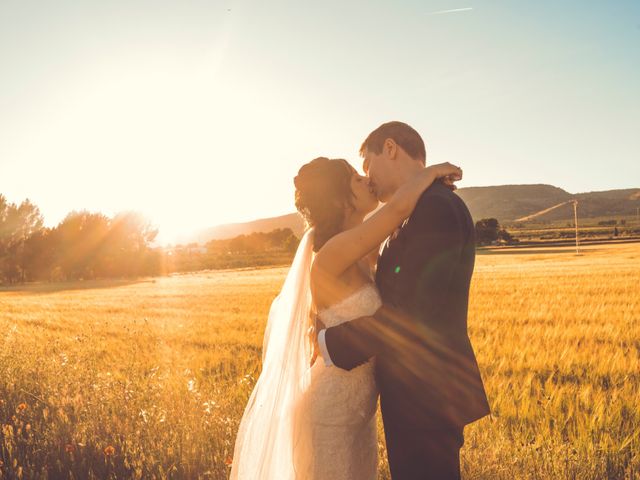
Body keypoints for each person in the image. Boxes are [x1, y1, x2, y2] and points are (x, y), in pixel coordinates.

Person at [230, 147, 462, 478]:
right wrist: (427, 174)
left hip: (359, 416)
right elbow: (397, 209)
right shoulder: (332, 252)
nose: (367, 180)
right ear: (342, 201)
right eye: (356, 178)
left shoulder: (365, 252)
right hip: (331, 411)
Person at [316, 121, 491, 479]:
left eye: (367, 166)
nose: (368, 179)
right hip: (411, 399)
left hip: (425, 400)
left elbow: (410, 316)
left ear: (391, 148)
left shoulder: (435, 208)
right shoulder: (418, 208)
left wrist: (328, 342)